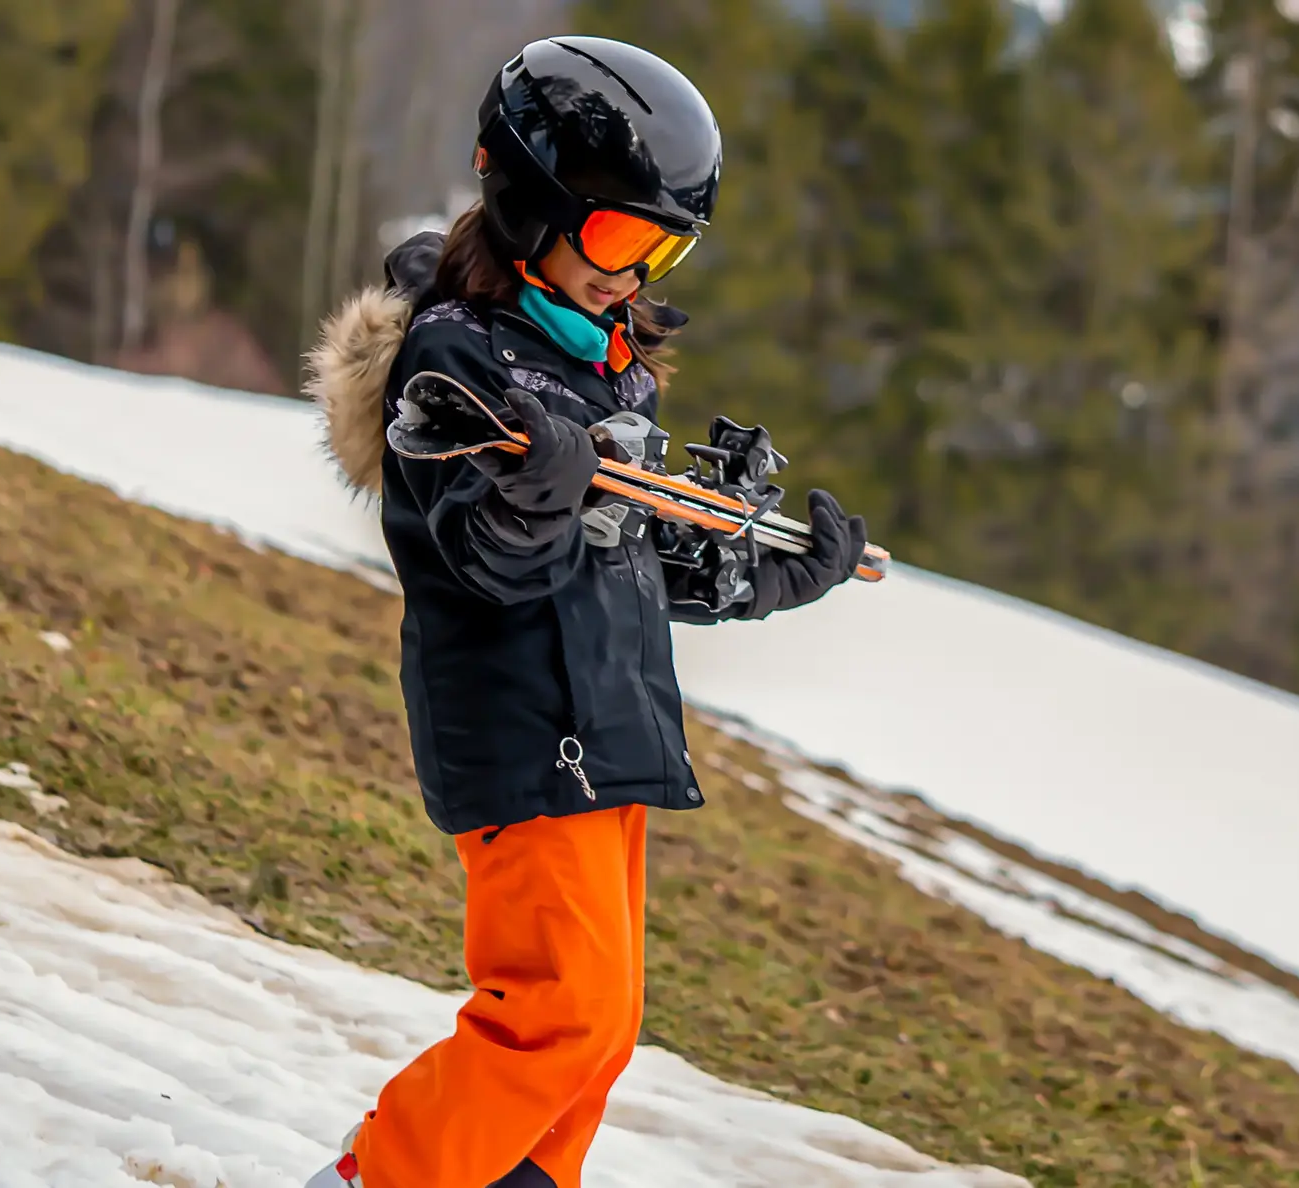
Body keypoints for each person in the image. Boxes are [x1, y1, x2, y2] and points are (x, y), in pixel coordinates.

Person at [302, 35, 868, 1188]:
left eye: (664, 246)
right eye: (618, 235)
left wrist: (769, 571)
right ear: (526, 202)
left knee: (599, 1033)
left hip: (608, 729)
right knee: (555, 1012)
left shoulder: (606, 367)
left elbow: (642, 557)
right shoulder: (456, 366)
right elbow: (483, 565)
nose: (636, 272)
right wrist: (534, 493)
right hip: (523, 730)